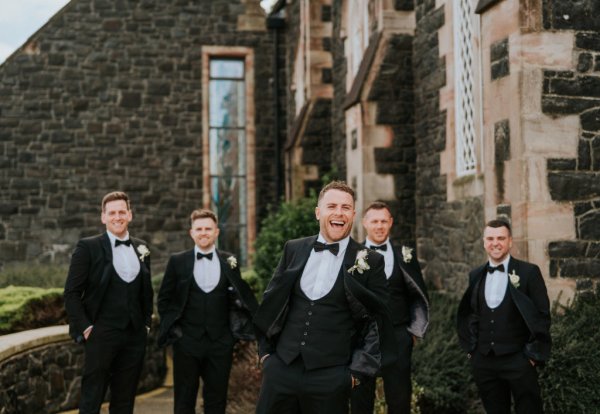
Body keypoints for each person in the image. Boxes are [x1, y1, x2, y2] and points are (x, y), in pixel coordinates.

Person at [253, 181, 396, 414]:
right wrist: (266, 354)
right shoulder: (294, 248)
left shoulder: (370, 261)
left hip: (331, 379)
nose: (338, 212)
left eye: (345, 207)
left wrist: (354, 375)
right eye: (331, 206)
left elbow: (378, 322)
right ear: (318, 212)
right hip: (281, 370)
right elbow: (272, 301)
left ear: (353, 214)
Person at [157, 208, 258, 414]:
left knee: (217, 401)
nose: (203, 232)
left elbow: (237, 298)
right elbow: (164, 300)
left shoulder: (230, 261)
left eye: (208, 229)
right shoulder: (178, 261)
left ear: (216, 232)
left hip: (220, 344)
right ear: (191, 232)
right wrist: (178, 334)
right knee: (184, 401)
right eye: (199, 229)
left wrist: (231, 337)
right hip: (186, 343)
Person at [64, 191, 154, 414]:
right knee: (91, 399)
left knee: (125, 401)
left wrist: (145, 324)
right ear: (103, 217)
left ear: (130, 215)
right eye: (111, 213)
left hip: (134, 336)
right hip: (100, 333)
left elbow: (146, 291)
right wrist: (86, 328)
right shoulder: (88, 247)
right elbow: (71, 292)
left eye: (122, 212)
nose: (117, 217)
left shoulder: (142, 248)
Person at [457, 219, 551, 414]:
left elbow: (542, 315)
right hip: (484, 361)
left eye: (501, 238)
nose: (495, 243)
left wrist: (531, 356)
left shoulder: (528, 272)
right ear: (484, 242)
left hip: (519, 360)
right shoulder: (476, 275)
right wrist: (472, 350)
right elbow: (471, 313)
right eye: (490, 238)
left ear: (510, 242)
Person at [351, 201, 429, 414]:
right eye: (374, 221)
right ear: (365, 223)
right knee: (360, 398)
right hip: (362, 338)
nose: (379, 226)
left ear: (391, 223)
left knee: (399, 397)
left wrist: (413, 331)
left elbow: (418, 293)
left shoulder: (406, 254)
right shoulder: (352, 255)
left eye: (384, 221)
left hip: (398, 336)